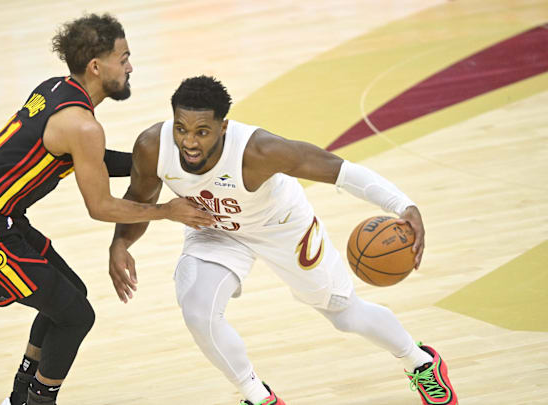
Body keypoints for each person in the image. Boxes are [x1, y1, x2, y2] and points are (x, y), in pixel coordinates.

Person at [108, 75, 458, 405]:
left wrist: (402, 204)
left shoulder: (259, 151)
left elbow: (341, 170)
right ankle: (257, 396)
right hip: (215, 229)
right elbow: (139, 199)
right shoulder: (153, 146)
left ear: (223, 127)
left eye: (202, 132)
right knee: (197, 310)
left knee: (344, 314)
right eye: (181, 129)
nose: (189, 141)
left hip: (282, 226)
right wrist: (120, 243)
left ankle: (420, 362)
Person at [0, 15, 213, 405]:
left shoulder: (56, 89)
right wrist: (167, 211)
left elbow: (95, 159)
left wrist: (162, 162)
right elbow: (100, 207)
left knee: (68, 298)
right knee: (76, 315)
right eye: (124, 57)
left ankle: (19, 399)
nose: (131, 66)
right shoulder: (82, 126)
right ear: (96, 67)